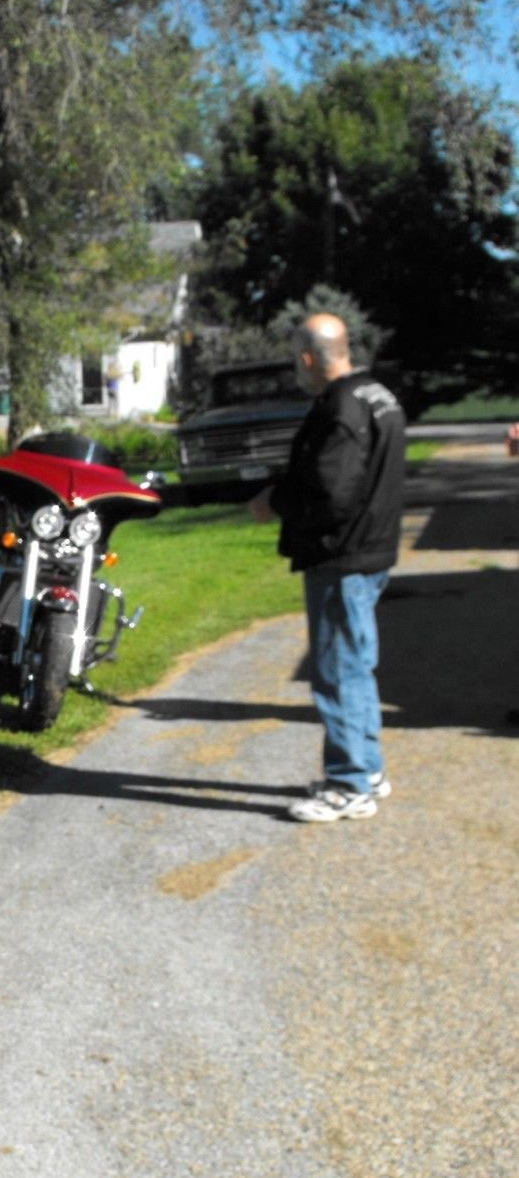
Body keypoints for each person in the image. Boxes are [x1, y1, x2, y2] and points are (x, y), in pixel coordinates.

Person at [249, 312, 406, 822]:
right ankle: (368, 770)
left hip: (342, 555)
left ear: (309, 357)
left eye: (298, 355)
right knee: (356, 666)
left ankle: (348, 784)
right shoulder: (378, 397)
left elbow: (331, 492)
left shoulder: (341, 407)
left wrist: (277, 500)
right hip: (372, 549)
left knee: (337, 671)